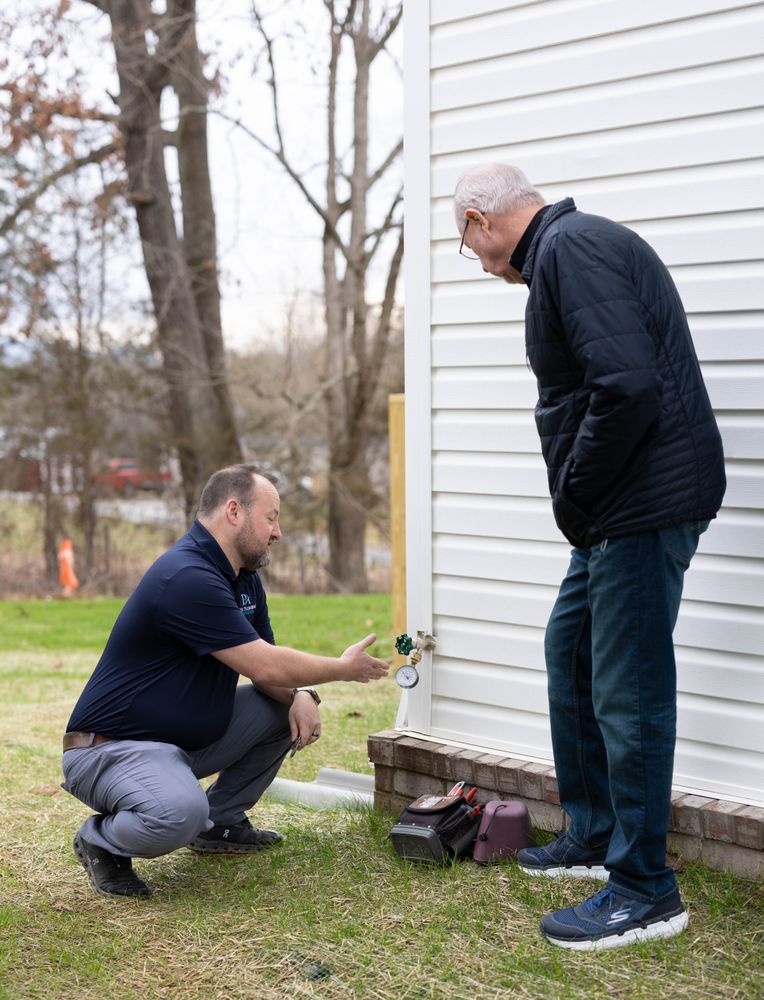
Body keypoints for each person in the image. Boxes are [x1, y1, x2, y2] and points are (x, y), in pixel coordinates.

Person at [453, 164, 726, 950]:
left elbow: (627, 386)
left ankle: (646, 889)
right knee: (570, 649)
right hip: (619, 509)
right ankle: (598, 831)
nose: (474, 261)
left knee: (629, 695)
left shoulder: (570, 249)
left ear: (481, 222)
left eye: (465, 245)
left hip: (637, 508)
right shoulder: (569, 250)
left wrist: (574, 487)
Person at [62, 463, 389, 898]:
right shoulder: (186, 577)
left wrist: (303, 695)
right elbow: (267, 667)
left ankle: (221, 824)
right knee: (179, 813)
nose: (278, 532)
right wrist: (341, 668)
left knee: (280, 706)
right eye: (270, 517)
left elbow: (269, 668)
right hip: (111, 749)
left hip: (178, 745)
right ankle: (100, 840)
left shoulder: (244, 579)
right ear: (233, 511)